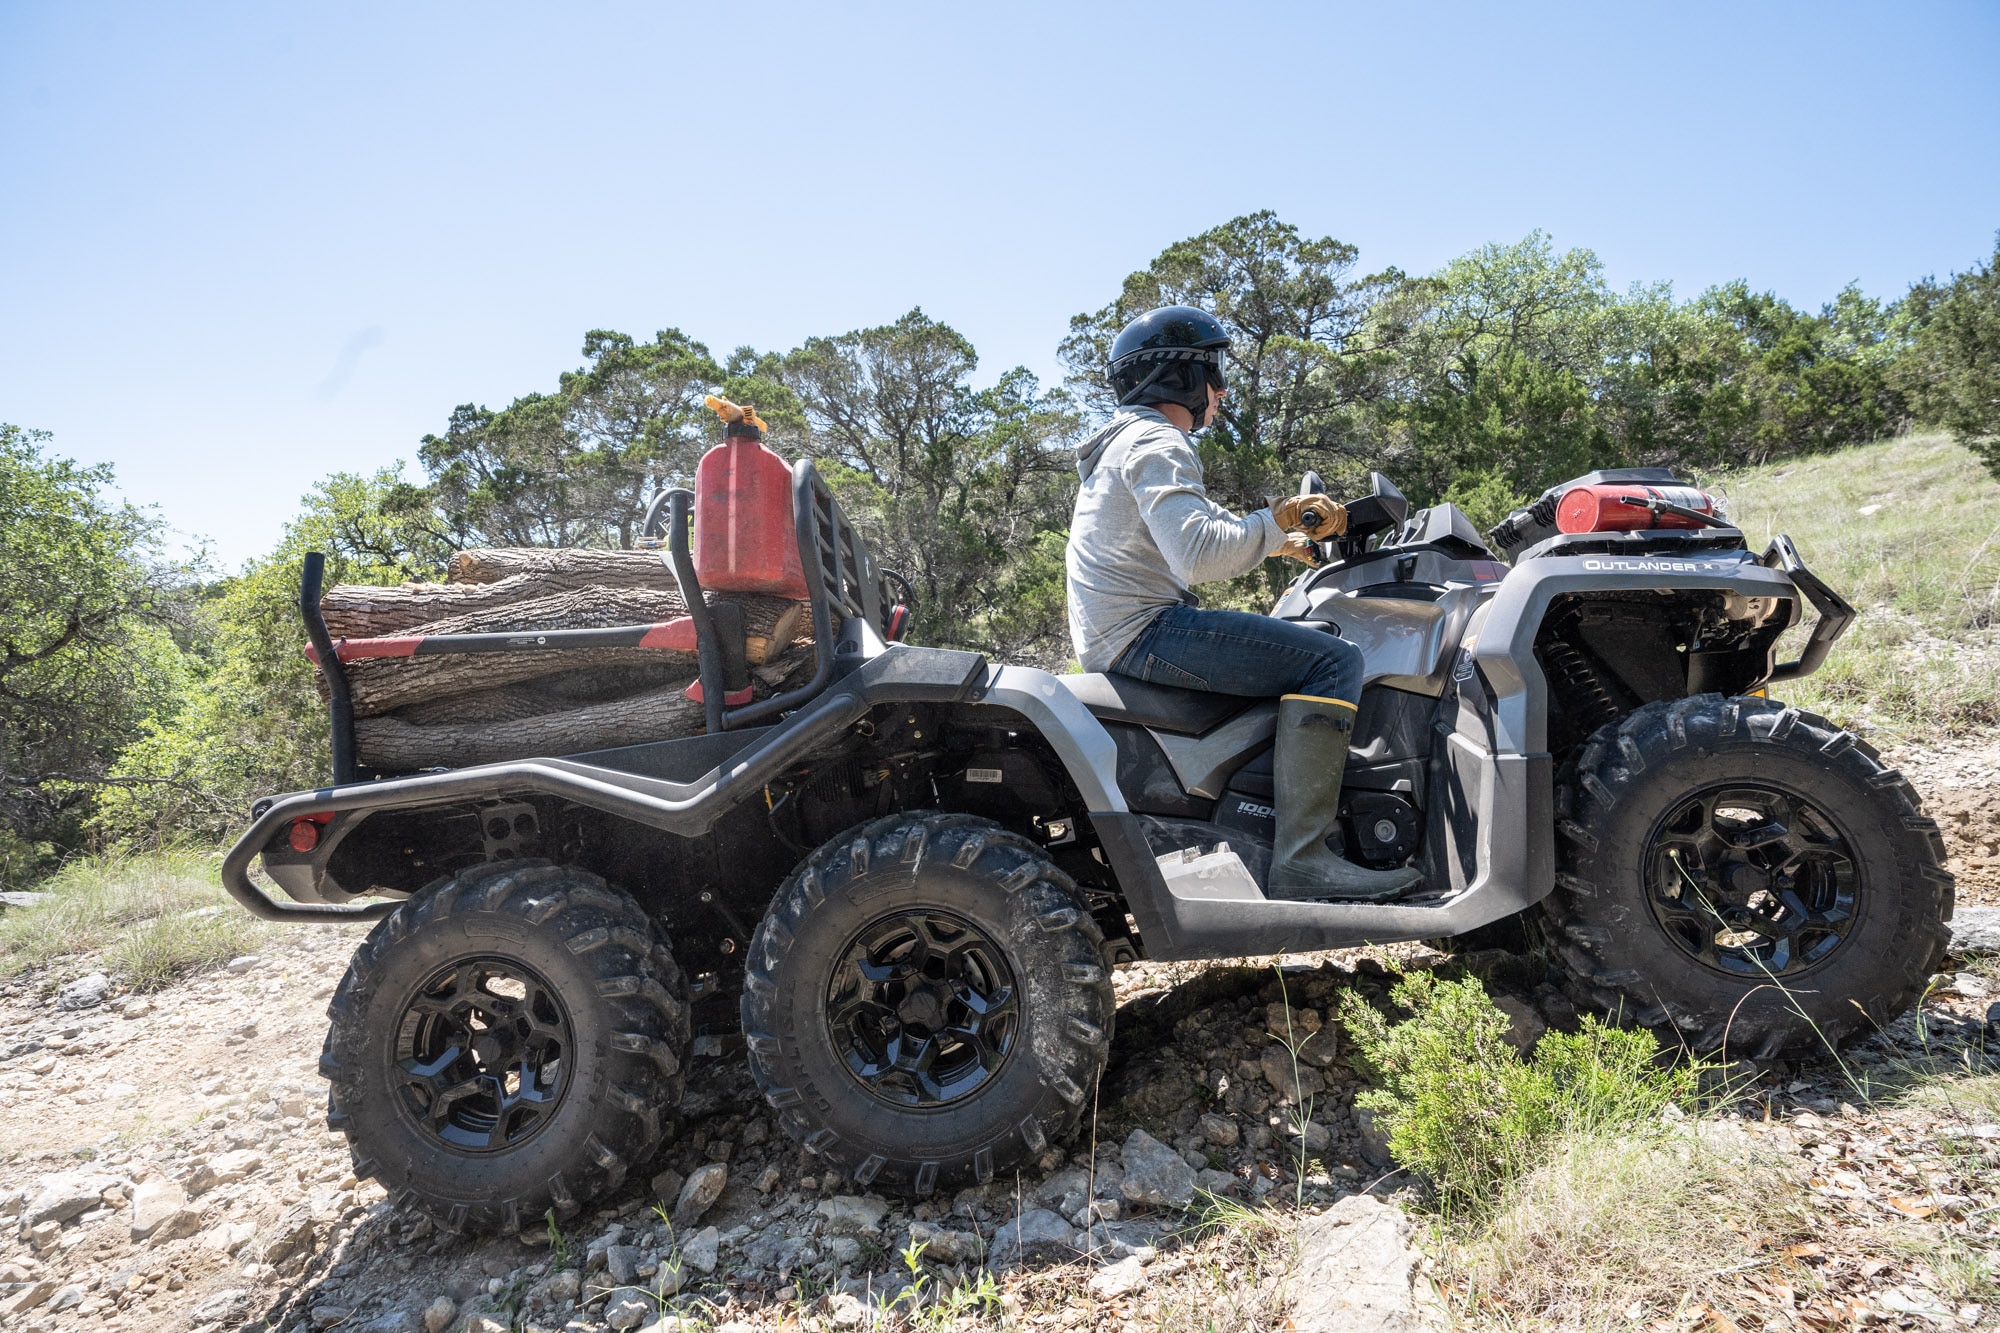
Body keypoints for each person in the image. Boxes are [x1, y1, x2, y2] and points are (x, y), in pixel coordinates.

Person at [1065, 305, 1421, 900]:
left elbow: (1193, 528)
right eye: (1214, 373)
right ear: (1178, 376)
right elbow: (1198, 553)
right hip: (1144, 631)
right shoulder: (1158, 439)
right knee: (1333, 661)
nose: (1222, 391)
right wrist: (1276, 518)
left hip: (1119, 631)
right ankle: (1304, 858)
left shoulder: (1120, 446)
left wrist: (1279, 537)